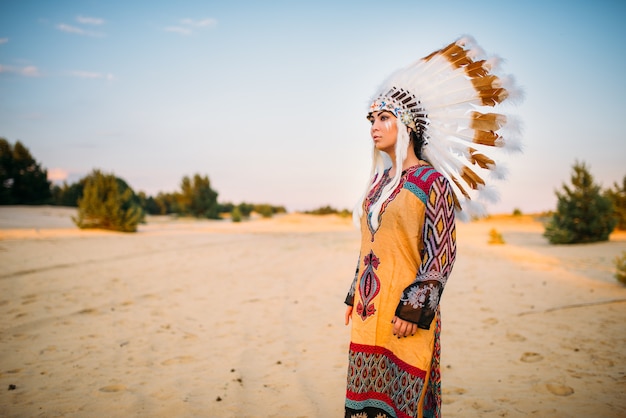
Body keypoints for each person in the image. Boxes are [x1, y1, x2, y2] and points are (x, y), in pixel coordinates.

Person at [343, 36, 522, 418]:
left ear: (406, 124)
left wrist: (415, 307)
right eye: (371, 119)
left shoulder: (431, 183)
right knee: (365, 402)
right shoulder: (377, 185)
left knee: (405, 399)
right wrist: (353, 293)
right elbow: (369, 245)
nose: (374, 127)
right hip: (369, 312)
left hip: (406, 314)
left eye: (384, 118)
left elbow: (441, 252)